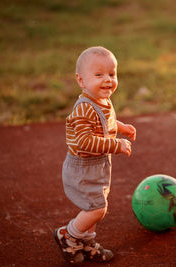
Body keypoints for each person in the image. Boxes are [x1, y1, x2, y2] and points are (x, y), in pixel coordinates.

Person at [53, 46, 136, 265]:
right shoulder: (83, 109)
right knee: (98, 208)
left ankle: (86, 244)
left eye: (112, 74)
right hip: (83, 167)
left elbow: (104, 124)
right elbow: (84, 141)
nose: (107, 79)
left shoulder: (102, 101)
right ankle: (68, 234)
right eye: (99, 75)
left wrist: (121, 127)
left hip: (96, 166)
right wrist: (115, 145)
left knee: (94, 206)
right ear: (81, 81)